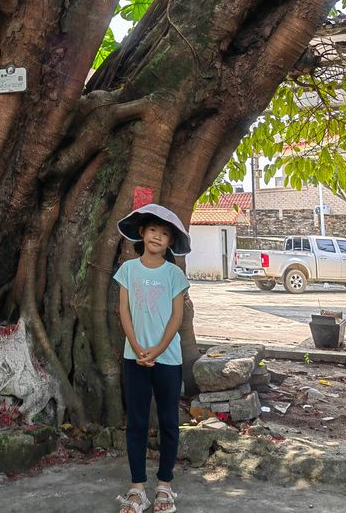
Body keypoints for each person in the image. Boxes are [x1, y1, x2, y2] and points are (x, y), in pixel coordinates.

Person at [113, 203, 191, 513]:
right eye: (153, 230)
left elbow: (177, 318)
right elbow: (123, 311)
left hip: (167, 360)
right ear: (142, 233)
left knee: (170, 422)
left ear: (171, 242)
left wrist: (156, 351)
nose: (158, 236)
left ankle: (164, 487)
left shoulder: (174, 273)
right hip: (135, 359)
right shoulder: (128, 270)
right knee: (137, 423)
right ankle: (137, 489)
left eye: (165, 233)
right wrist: (136, 347)